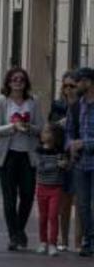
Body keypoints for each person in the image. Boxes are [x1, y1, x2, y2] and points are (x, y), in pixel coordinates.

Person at [0, 67, 42, 251]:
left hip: (28, 155)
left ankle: (19, 230)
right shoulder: (1, 101)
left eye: (21, 79)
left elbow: (40, 129)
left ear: (26, 82)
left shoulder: (33, 101)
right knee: (10, 197)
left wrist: (29, 128)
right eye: (14, 79)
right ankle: (14, 235)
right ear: (8, 82)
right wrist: (13, 127)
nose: (18, 82)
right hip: (7, 155)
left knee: (28, 195)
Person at [64, 67, 94, 257]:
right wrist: (71, 144)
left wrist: (86, 143)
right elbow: (68, 131)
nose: (74, 87)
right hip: (80, 163)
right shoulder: (75, 106)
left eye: (78, 82)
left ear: (88, 82)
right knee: (82, 205)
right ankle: (88, 241)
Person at [53, 71, 83, 252]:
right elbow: (51, 128)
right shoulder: (58, 106)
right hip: (62, 158)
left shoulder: (85, 105)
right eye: (66, 86)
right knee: (64, 202)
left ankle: (79, 242)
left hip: (80, 157)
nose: (69, 89)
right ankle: (63, 239)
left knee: (81, 203)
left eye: (72, 86)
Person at [36, 123, 68, 256]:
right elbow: (41, 168)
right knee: (43, 217)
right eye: (43, 132)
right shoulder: (39, 150)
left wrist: (65, 164)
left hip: (56, 188)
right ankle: (43, 242)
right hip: (42, 187)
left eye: (47, 132)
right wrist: (56, 164)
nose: (44, 134)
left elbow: (65, 165)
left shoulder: (60, 151)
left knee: (53, 216)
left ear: (55, 135)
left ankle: (53, 243)